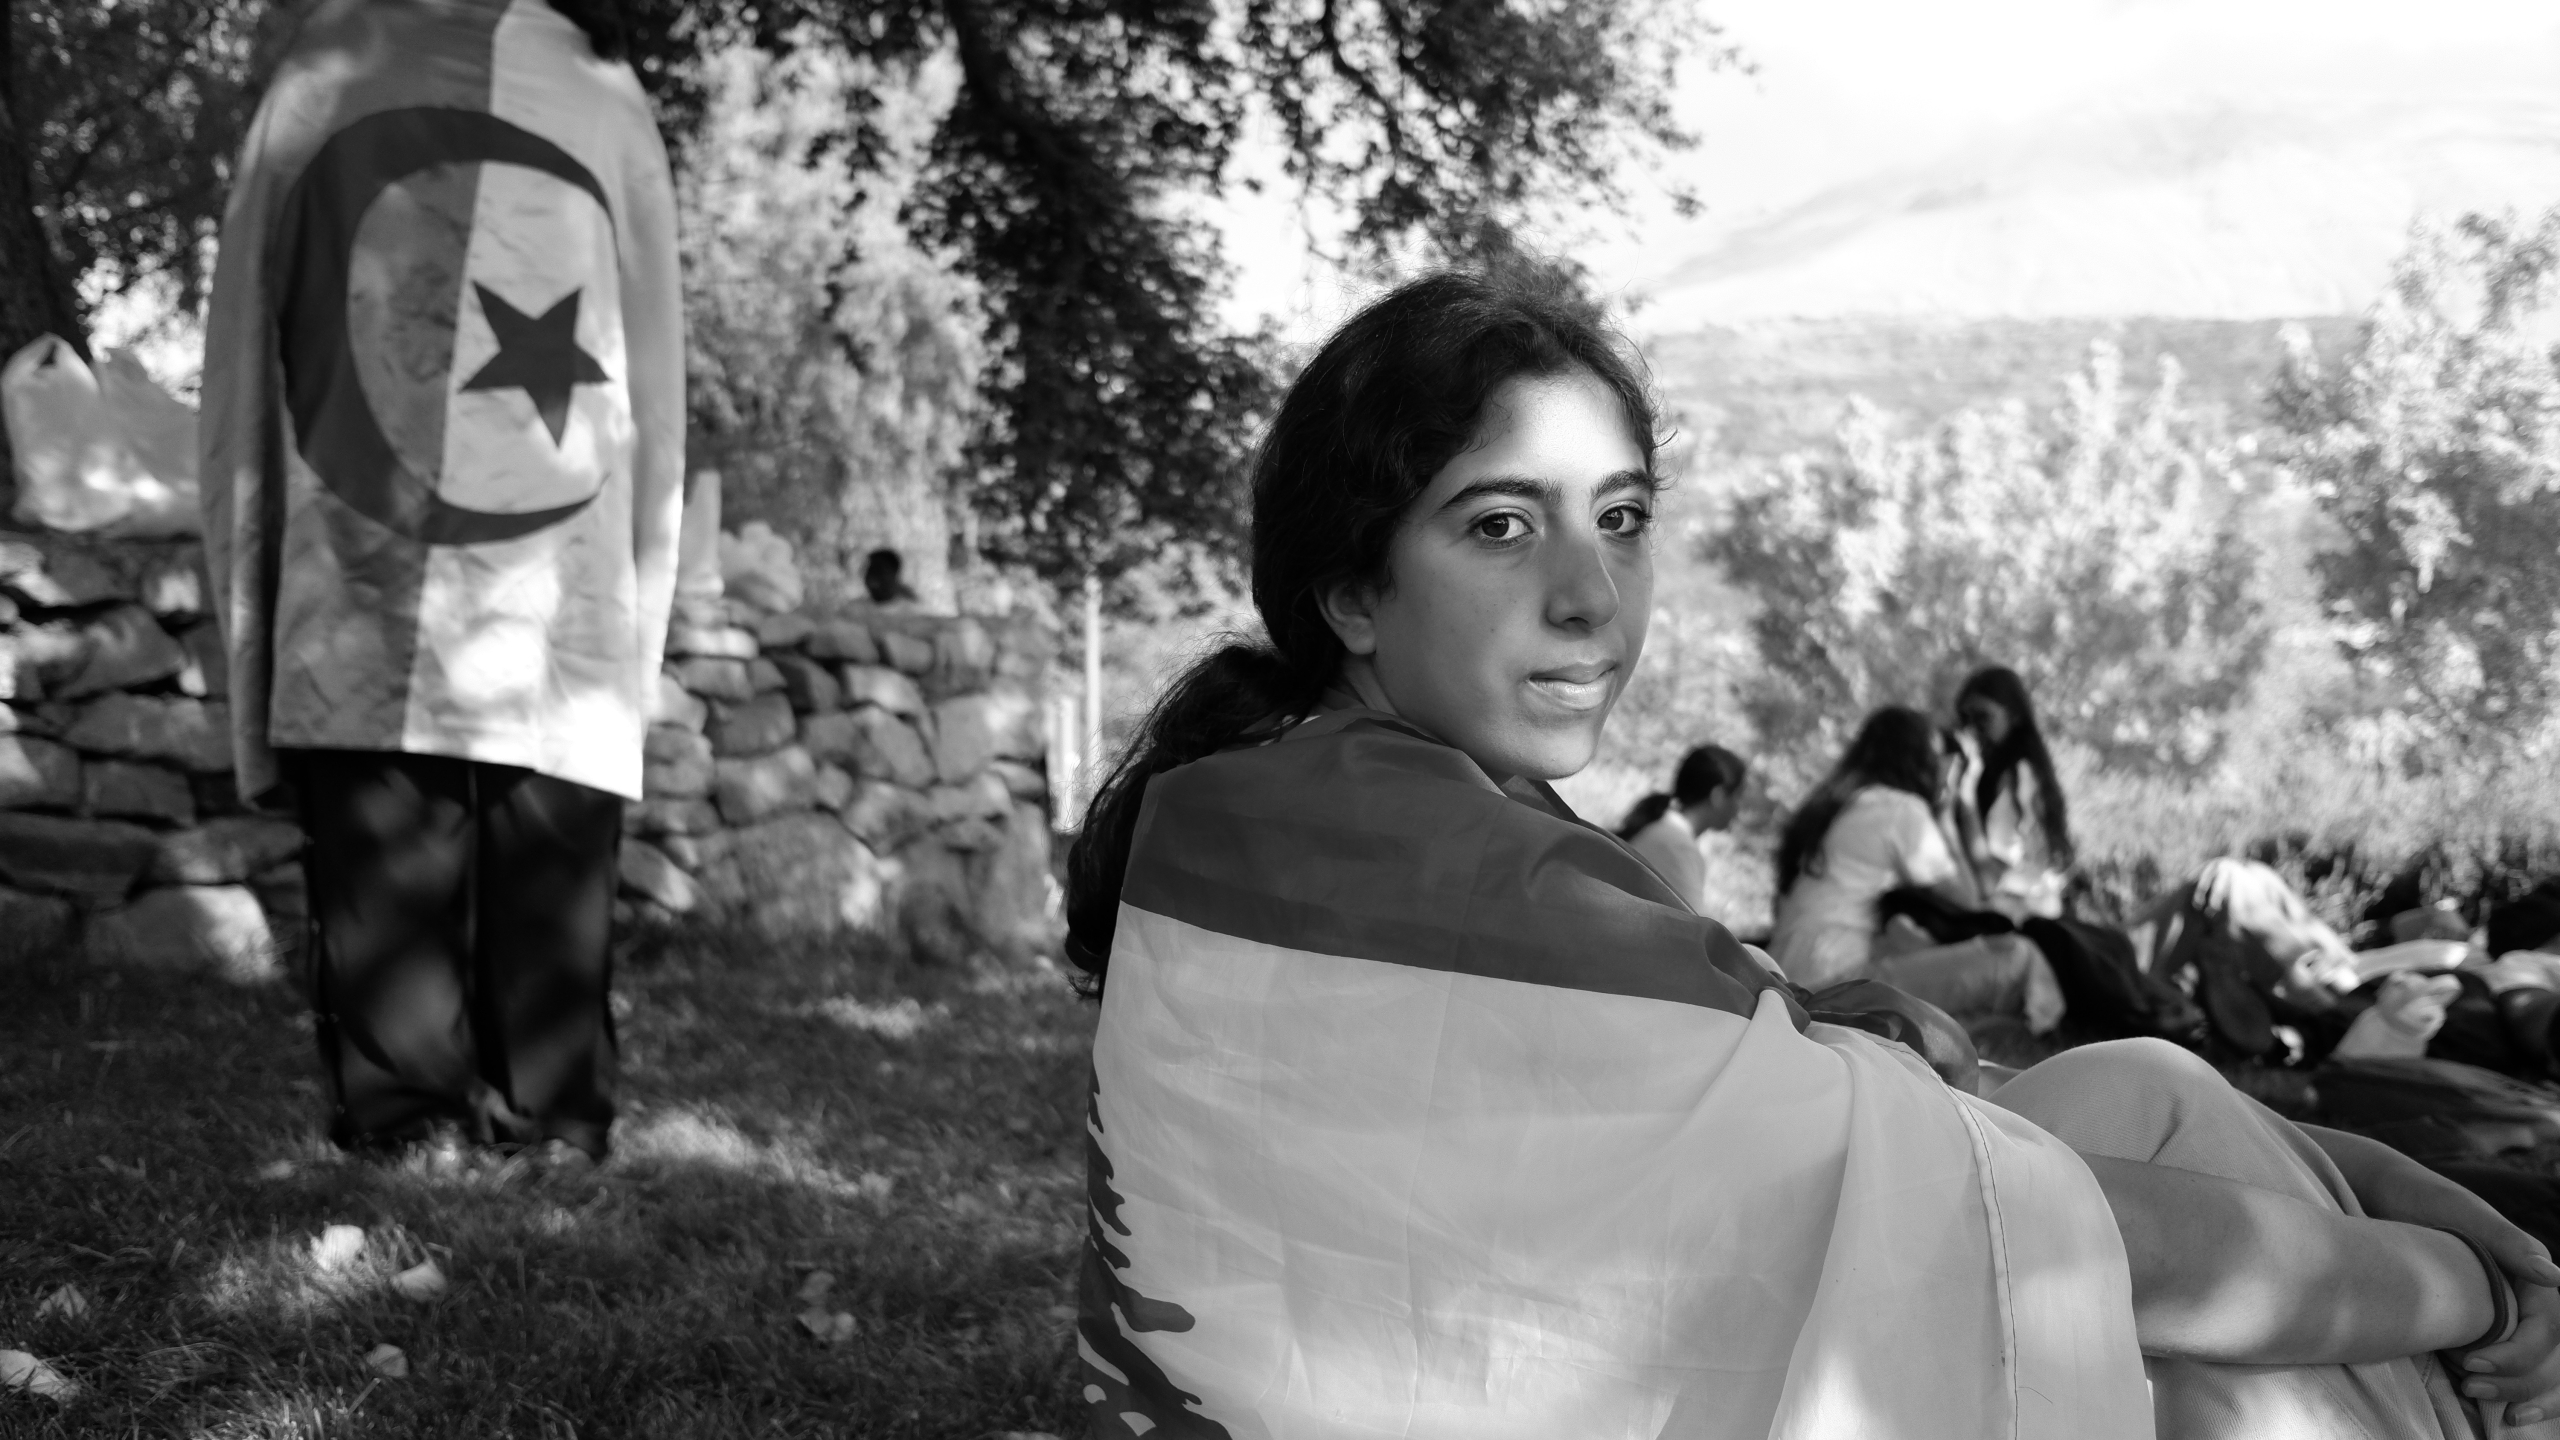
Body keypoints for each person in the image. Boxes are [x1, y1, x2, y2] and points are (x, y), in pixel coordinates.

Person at [1061, 270, 2560, 1439]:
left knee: (2151, 1088)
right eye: (1502, 526)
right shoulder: (1458, 875)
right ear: (1351, 590)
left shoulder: (1259, 810)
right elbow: (2060, 1247)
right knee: (2182, 1295)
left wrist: (2368, 1173)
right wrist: (2474, 1294)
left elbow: (1924, 1131)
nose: (1592, 598)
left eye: (1621, 518)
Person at [199, 0, 686, 1164]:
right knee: (475, 824)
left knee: (463, 826)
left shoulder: (348, 65)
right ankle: (517, 1114)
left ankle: (448, 1115)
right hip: (447, 546)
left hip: (415, 540)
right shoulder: (574, 82)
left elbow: (638, 332)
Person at [1769, 707, 2067, 1033]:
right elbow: (1968, 899)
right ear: (1916, 758)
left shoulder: (1841, 803)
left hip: (1790, 976)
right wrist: (1956, 805)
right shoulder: (1900, 809)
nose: (1942, 767)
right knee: (2014, 956)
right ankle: (2020, 1023)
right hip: (1832, 987)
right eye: (1936, 756)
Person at [1952, 664, 2075, 920]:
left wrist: (1966, 801)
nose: (1971, 730)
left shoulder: (2019, 777)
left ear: (2015, 717)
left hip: (2023, 914)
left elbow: (1990, 876)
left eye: (1983, 718)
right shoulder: (1989, 771)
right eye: (1965, 719)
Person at [1614, 743, 1744, 912]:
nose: (1739, 808)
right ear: (1718, 796)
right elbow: (1694, 925)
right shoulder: (1677, 845)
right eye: (1738, 796)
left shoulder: (1664, 830)